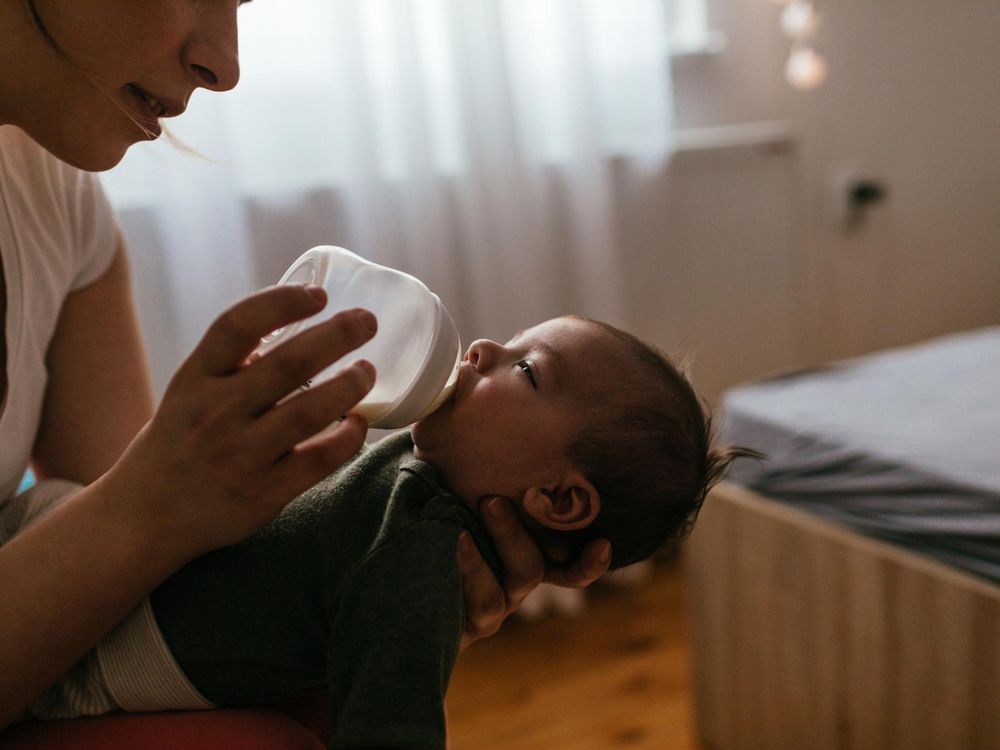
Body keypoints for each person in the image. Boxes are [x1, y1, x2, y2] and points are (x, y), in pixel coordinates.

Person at [0, 0, 610, 729]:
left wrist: (366, 592)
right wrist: (151, 505)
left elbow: (116, 594)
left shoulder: (57, 199)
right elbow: (120, 524)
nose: (224, 65)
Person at [11, 315, 752, 747]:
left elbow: (391, 726)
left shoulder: (421, 557)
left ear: (559, 498)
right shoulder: (426, 460)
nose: (483, 349)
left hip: (87, 651)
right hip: (79, 552)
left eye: (527, 370)